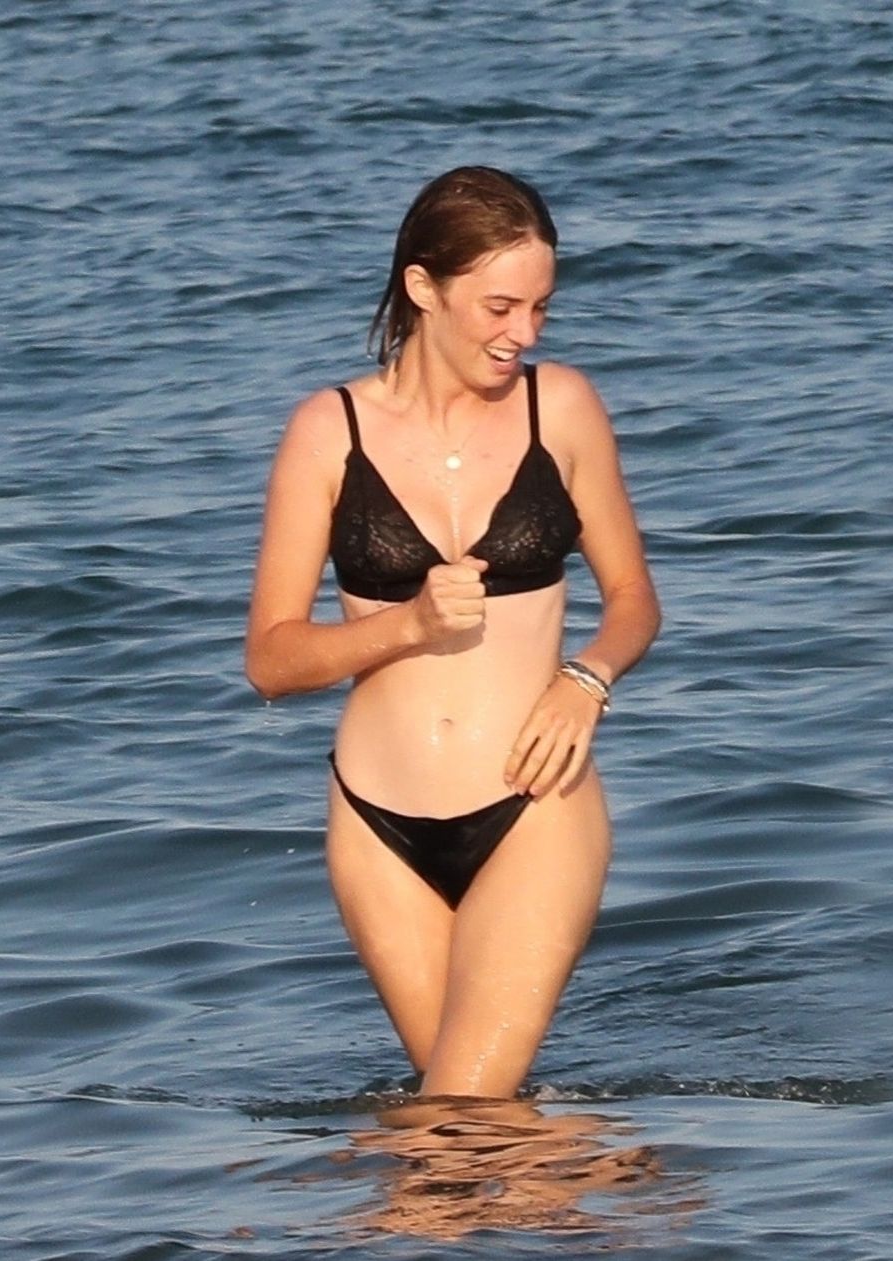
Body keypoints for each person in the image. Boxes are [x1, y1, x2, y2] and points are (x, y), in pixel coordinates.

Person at [246, 167, 659, 1094]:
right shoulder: (328, 430)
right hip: (375, 823)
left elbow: (634, 597)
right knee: (474, 1129)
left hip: (533, 802)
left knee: (457, 1110)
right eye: (500, 307)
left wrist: (588, 677)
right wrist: (410, 623)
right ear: (423, 287)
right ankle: (620, 1177)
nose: (525, 334)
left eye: (541, 309)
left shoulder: (562, 408)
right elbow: (271, 659)